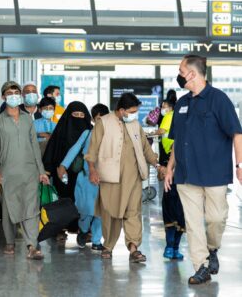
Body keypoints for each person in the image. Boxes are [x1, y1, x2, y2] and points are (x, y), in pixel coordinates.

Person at [164, 55, 242, 284]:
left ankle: (212, 248)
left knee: (216, 218)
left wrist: (239, 165)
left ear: (192, 74)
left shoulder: (219, 100)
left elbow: (237, 133)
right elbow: (177, 141)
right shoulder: (181, 104)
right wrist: (170, 169)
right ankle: (201, 266)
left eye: (180, 70)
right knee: (193, 223)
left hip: (214, 173)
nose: (178, 74)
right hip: (186, 175)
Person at [86, 93, 159, 263]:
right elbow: (93, 150)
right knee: (110, 213)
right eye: (132, 111)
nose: (135, 114)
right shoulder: (103, 123)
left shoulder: (135, 124)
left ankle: (134, 248)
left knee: (133, 212)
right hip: (111, 177)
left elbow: (145, 148)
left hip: (133, 177)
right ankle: (108, 245)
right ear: (121, 110)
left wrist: (157, 164)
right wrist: (92, 170)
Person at [0, 81, 49, 260]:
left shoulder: (26, 119)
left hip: (29, 170)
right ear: (3, 97)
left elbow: (34, 146)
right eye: (10, 93)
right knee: (9, 208)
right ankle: (9, 241)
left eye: (16, 92)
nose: (14, 95)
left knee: (31, 208)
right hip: (7, 172)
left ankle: (31, 245)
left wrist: (41, 170)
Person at [57, 103, 109, 251]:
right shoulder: (87, 133)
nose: (101, 122)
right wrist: (63, 166)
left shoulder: (112, 135)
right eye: (98, 119)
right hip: (86, 179)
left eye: (104, 119)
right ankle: (84, 230)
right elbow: (74, 150)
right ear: (93, 120)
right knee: (86, 211)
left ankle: (97, 241)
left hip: (104, 180)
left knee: (101, 212)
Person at [43, 101, 92, 237]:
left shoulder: (91, 132)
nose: (78, 118)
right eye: (75, 115)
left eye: (82, 115)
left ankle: (84, 229)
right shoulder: (60, 132)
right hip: (62, 175)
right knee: (62, 201)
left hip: (84, 174)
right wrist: (47, 172)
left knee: (84, 202)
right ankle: (60, 229)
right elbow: (51, 152)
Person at [155, 98, 186, 260]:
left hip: (187, 176)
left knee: (182, 213)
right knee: (170, 208)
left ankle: (175, 247)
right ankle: (169, 246)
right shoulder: (171, 118)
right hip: (171, 170)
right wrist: (163, 167)